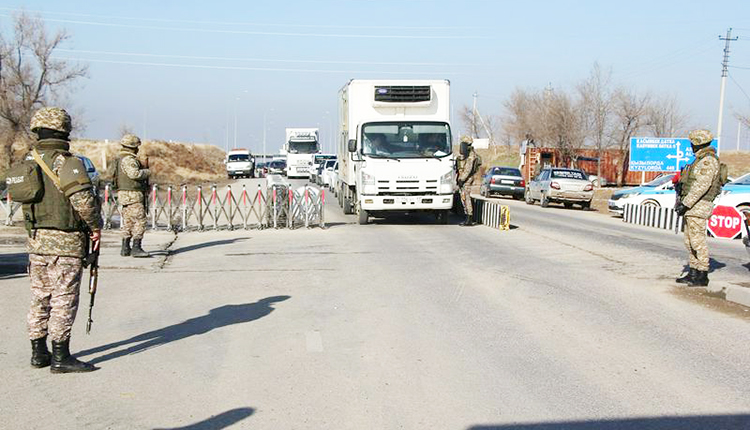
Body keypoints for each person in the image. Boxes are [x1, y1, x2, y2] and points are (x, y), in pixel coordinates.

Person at [24, 107, 101, 373]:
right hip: (65, 242)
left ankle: (38, 353)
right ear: (64, 130)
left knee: (39, 296)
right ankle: (61, 357)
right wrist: (95, 226)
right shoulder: (66, 162)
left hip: (36, 241)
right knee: (64, 298)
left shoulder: (28, 161)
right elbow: (83, 201)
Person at [674, 129, 721, 287]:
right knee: (689, 241)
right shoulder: (699, 159)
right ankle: (693, 272)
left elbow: (701, 186)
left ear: (697, 143)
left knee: (697, 241)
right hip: (692, 206)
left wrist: (685, 203)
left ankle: (702, 274)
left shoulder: (708, 160)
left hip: (698, 206)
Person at [115, 134, 150, 258]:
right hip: (132, 194)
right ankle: (136, 247)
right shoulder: (129, 159)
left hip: (124, 194)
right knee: (140, 220)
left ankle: (125, 247)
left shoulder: (120, 158)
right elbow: (134, 174)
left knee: (128, 221)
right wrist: (146, 172)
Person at [456, 135, 482, 226]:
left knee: (466, 197)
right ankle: (467, 215)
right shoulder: (466, 155)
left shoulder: (471, 156)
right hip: (464, 178)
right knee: (463, 197)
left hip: (467, 179)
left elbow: (468, 169)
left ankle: (469, 218)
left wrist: (462, 179)